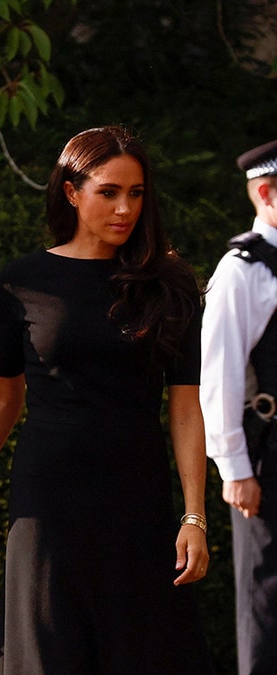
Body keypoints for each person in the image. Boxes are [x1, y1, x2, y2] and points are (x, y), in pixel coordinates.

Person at [0, 126, 213, 672]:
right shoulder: (22, 281)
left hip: (137, 498)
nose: (125, 208)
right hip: (46, 502)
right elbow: (4, 397)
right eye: (109, 192)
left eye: (137, 193)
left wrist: (194, 517)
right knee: (46, 653)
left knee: (144, 652)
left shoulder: (170, 286)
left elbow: (185, 407)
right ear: (72, 192)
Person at [202, 138, 277, 674]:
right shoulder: (242, 270)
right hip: (271, 451)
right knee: (268, 599)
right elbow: (219, 375)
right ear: (267, 193)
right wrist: (233, 469)